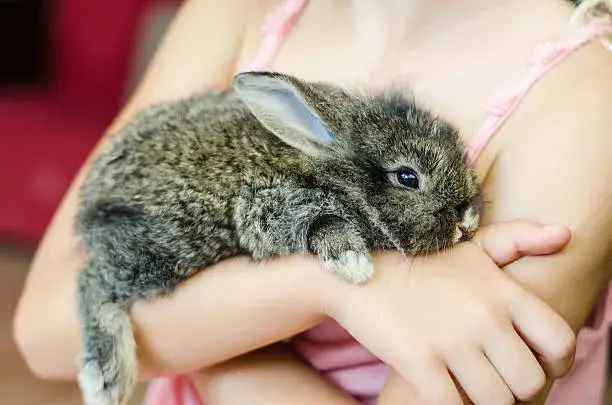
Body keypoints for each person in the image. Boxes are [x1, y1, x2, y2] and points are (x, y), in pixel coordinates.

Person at [12, 0, 612, 404]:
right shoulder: (239, 10)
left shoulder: (582, 109)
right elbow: (44, 329)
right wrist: (333, 285)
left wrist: (207, 340)